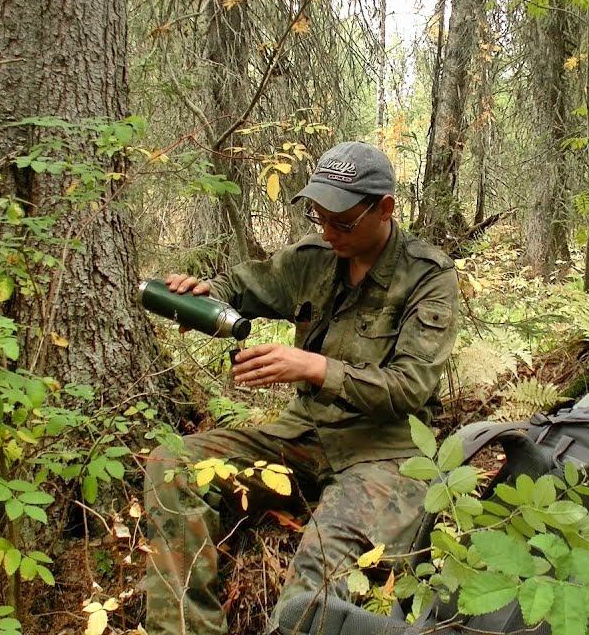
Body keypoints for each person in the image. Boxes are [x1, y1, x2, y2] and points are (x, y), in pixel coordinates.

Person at [144, 141, 461, 635]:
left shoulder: (427, 277)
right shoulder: (313, 259)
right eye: (320, 217)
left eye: (343, 221)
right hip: (303, 435)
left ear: (385, 209)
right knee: (174, 465)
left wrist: (313, 367)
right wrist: (204, 295)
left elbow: (410, 389)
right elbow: (241, 286)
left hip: (383, 455)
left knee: (314, 579)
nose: (329, 232)